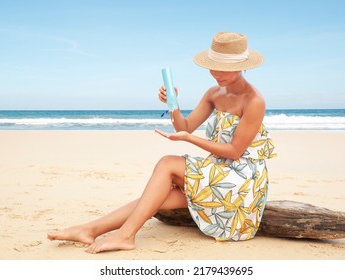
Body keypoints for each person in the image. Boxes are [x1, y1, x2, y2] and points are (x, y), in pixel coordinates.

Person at [47, 32, 276, 253]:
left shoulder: (254, 100)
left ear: (243, 66)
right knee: (156, 196)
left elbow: (235, 151)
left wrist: (190, 140)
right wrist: (173, 105)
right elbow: (183, 127)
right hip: (219, 171)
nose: (217, 73)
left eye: (225, 68)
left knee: (167, 163)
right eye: (213, 65)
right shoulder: (213, 93)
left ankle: (126, 236)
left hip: (242, 180)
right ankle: (90, 229)